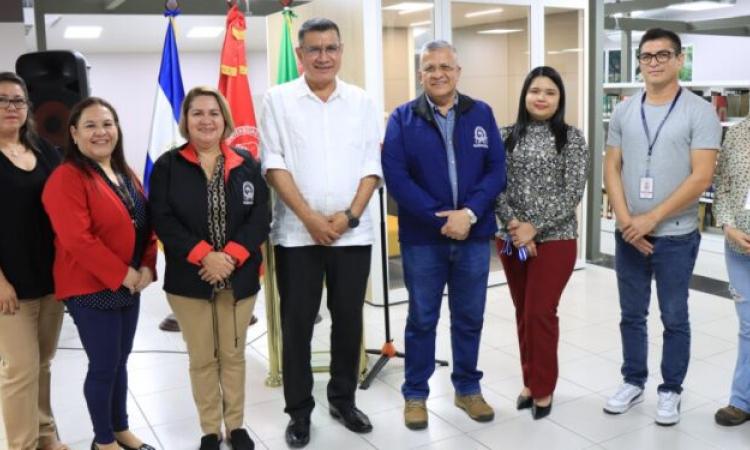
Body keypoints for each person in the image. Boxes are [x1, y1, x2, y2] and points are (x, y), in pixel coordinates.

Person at [259, 17, 381, 448]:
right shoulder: (277, 99)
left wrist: (347, 216)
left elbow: (372, 165)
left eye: (331, 48)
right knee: (297, 326)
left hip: (353, 233)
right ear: (300, 55)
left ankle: (343, 400)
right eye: (314, 49)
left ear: (341, 51)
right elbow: (273, 163)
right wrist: (310, 219)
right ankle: (299, 413)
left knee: (348, 322)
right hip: (296, 235)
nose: (323, 56)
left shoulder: (363, 101)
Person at [382, 40, 506, 430]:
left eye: (445, 67)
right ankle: (415, 394)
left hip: (472, 235)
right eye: (429, 67)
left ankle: (467, 388)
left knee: (469, 317)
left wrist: (468, 214)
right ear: (420, 74)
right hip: (424, 239)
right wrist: (442, 219)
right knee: (422, 318)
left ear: (458, 71)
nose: (438, 74)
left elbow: (496, 172)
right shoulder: (402, 119)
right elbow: (397, 178)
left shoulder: (481, 113)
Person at [602, 28, 721, 425]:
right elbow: (611, 168)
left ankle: (670, 390)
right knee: (631, 314)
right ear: (639, 61)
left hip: (676, 237)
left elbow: (701, 178)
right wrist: (625, 222)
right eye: (646, 55)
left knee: (674, 316)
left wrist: (651, 218)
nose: (653, 62)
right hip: (629, 236)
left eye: (662, 54)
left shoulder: (699, 111)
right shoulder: (623, 110)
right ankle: (633, 381)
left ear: (678, 60)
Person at [149, 86, 269, 450]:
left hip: (239, 276)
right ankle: (209, 430)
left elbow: (260, 216)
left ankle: (236, 426)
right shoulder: (168, 166)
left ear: (224, 119)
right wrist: (206, 255)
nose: (206, 120)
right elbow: (162, 219)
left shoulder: (246, 163)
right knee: (202, 358)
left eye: (213, 113)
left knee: (233, 355)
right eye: (197, 113)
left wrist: (229, 255)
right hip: (190, 280)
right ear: (186, 120)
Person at [42, 97, 157, 450]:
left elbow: (146, 223)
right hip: (89, 286)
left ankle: (121, 429)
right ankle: (103, 441)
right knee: (104, 364)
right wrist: (123, 274)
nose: (101, 132)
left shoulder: (125, 173)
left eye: (107, 123)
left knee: (121, 361)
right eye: (90, 125)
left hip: (130, 283)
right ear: (74, 134)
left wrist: (148, 266)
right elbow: (78, 239)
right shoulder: (66, 178)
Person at [495, 66, 590, 420]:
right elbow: (495, 186)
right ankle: (529, 382)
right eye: (535, 90)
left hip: (557, 238)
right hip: (510, 236)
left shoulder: (572, 138)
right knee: (523, 312)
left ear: (559, 99)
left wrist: (535, 229)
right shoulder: (505, 135)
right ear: (524, 95)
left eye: (550, 92)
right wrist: (516, 227)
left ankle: (544, 387)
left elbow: (573, 192)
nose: (541, 97)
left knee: (540, 312)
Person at [0, 72, 68, 450]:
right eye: (3, 100)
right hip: (9, 285)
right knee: (19, 371)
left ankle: (44, 433)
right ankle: (21, 445)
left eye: (18, 101)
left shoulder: (44, 150)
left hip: (50, 279)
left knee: (42, 363)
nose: (11, 107)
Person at [713, 115, 750, 426]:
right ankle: (741, 401)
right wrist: (728, 226)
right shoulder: (736, 134)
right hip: (739, 248)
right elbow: (721, 185)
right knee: (748, 324)